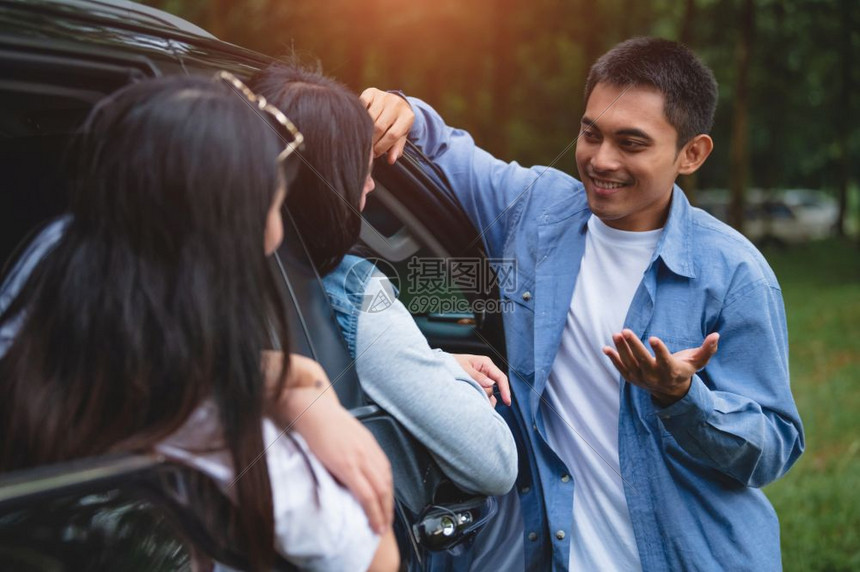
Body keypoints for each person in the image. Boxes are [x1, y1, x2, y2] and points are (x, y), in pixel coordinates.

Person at [363, 37, 804, 570]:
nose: (600, 159)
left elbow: (774, 447)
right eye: (590, 133)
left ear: (692, 153)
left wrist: (683, 398)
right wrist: (403, 108)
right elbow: (447, 150)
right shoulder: (536, 210)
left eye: (631, 143)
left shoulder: (734, 274)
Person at [0, 74, 397, 571]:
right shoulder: (219, 424)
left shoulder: (53, 259)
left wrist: (290, 376)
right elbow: (374, 556)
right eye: (276, 206)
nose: (278, 233)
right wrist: (304, 391)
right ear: (230, 235)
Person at [251, 63, 518, 497]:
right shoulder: (347, 287)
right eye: (360, 168)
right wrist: (458, 384)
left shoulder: (194, 263)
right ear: (326, 182)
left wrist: (436, 365)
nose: (372, 185)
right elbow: (495, 462)